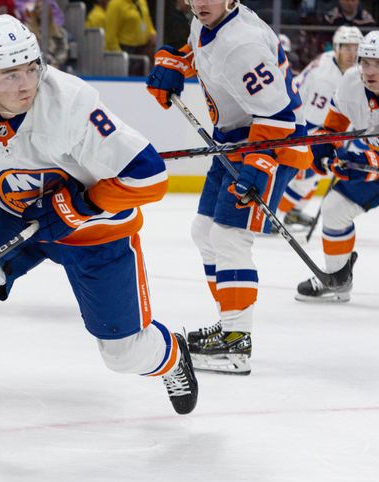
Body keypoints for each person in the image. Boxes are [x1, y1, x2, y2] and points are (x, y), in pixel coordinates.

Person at [0, 14, 198, 459]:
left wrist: (77, 206)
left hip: (96, 230)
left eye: (30, 67)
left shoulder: (70, 102)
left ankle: (170, 354)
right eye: (9, 74)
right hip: (10, 212)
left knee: (123, 354)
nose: (25, 83)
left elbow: (148, 176)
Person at [145, 0, 312, 375]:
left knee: (229, 236)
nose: (201, 2)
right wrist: (176, 63)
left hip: (269, 144)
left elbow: (280, 117)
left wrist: (259, 167)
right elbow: (202, 52)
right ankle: (229, 323)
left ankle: (236, 342)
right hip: (236, 141)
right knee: (204, 231)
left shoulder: (243, 44)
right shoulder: (206, 20)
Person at [295, 31, 379, 303]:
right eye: (365, 62)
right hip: (377, 164)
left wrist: (363, 163)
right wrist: (324, 148)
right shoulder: (350, 82)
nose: (370, 70)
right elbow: (334, 126)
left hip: (377, 162)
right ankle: (337, 279)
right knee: (334, 208)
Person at [276, 25, 362, 231]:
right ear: (337, 48)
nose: (352, 53)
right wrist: (332, 145)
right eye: (347, 48)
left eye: (356, 48)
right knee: (307, 176)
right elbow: (312, 123)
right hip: (297, 124)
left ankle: (291, 213)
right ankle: (275, 218)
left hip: (304, 120)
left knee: (313, 177)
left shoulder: (342, 67)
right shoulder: (325, 79)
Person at [24, 0, 69, 69]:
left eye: (43, 7)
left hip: (55, 66)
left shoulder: (59, 31)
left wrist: (55, 62)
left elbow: (63, 50)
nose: (41, 10)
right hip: (35, 66)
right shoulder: (27, 30)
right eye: (38, 8)